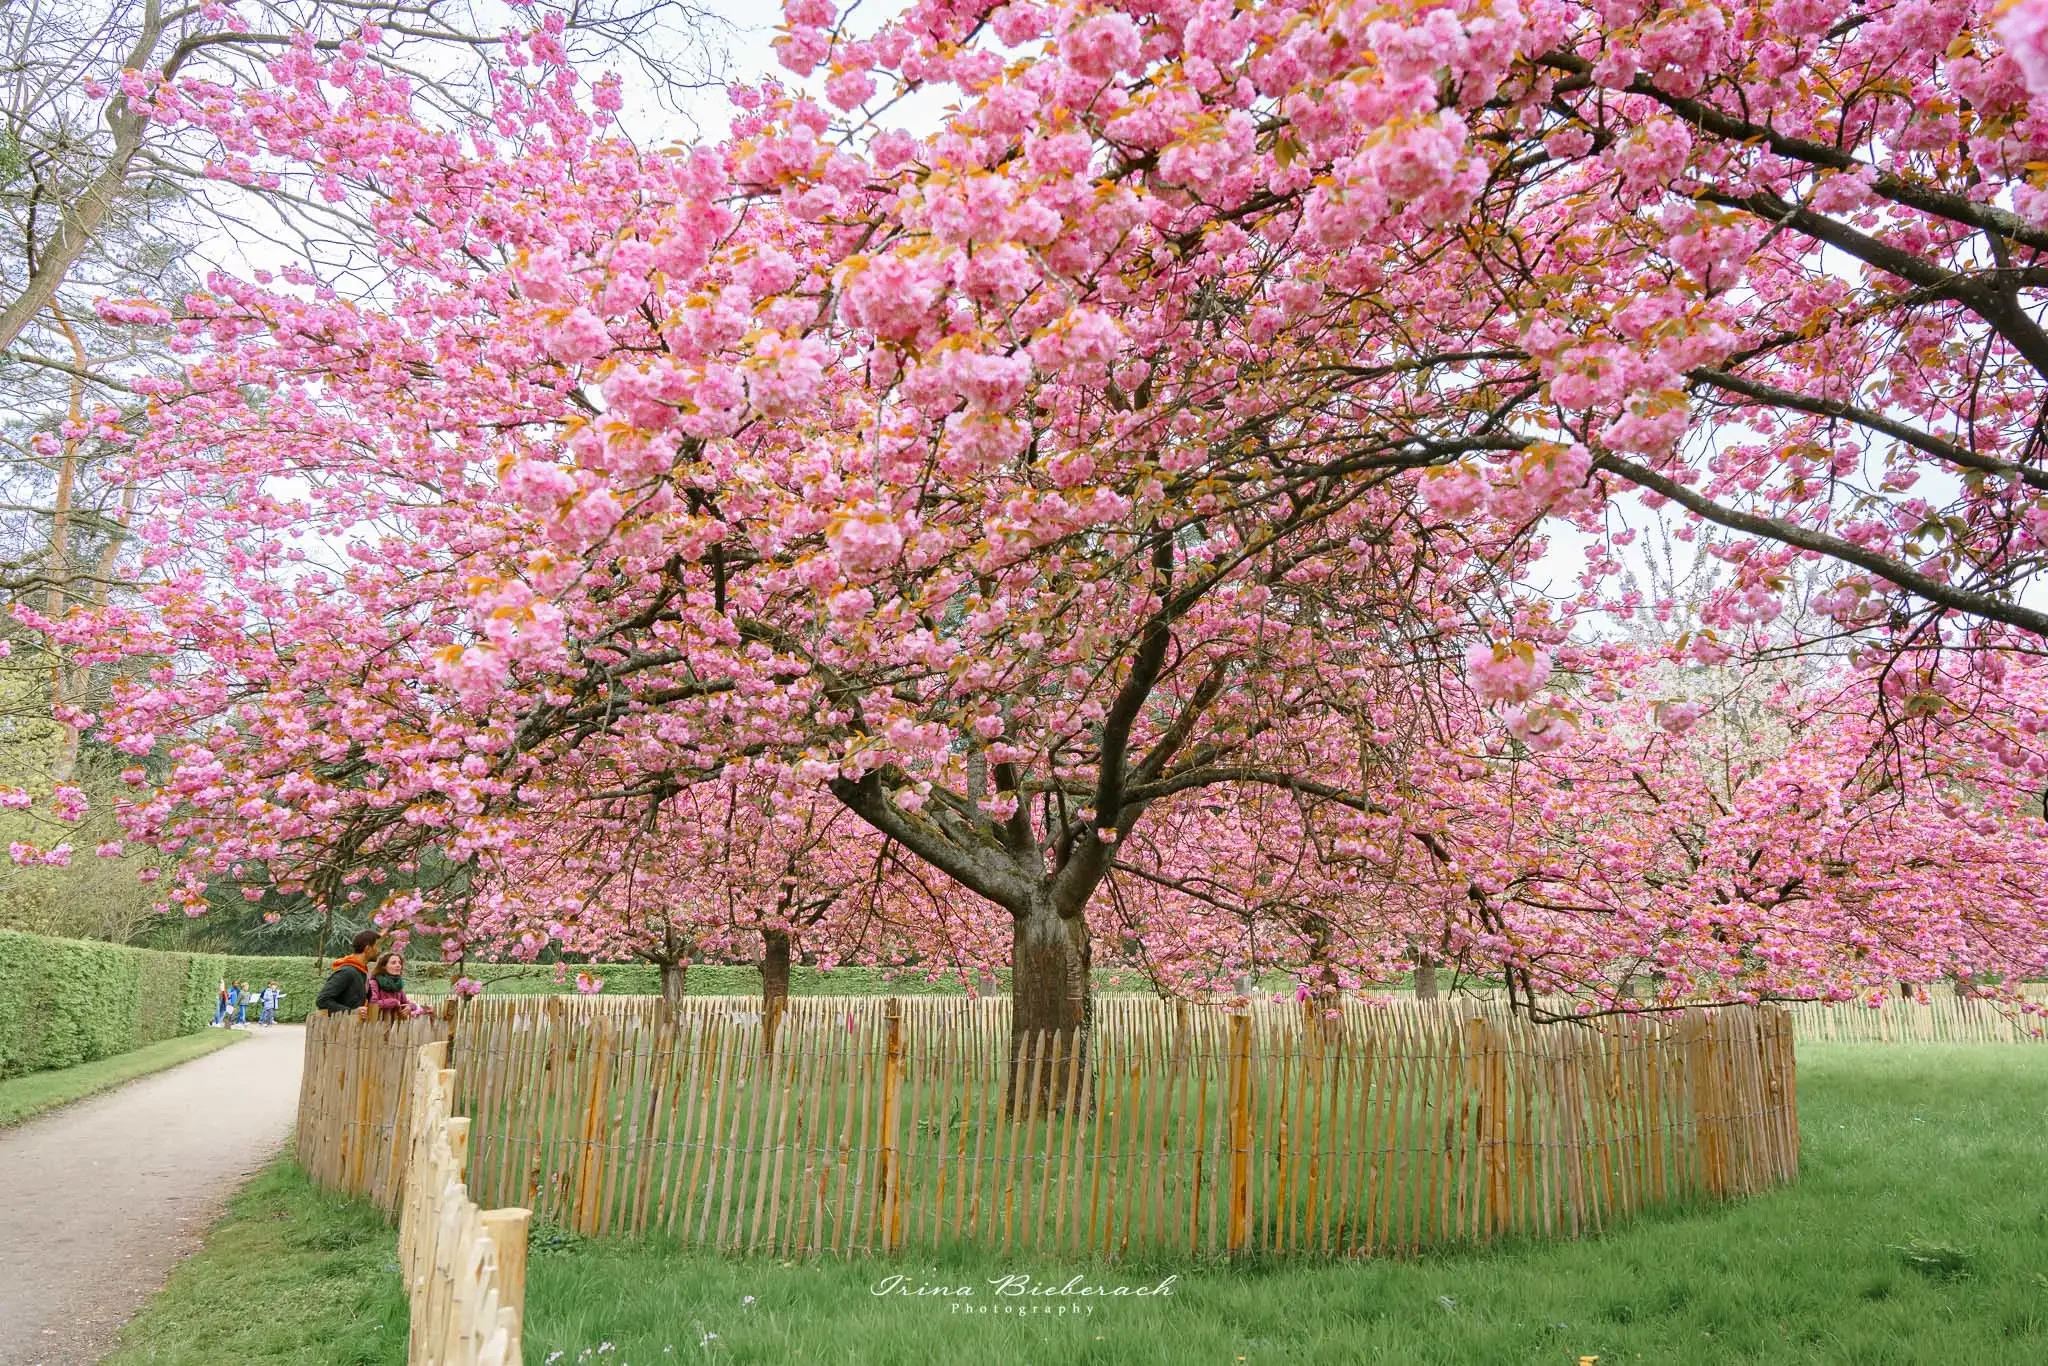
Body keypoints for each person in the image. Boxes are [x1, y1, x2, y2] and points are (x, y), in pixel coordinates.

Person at [315, 931, 380, 1014]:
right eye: (377, 946)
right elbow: (322, 1000)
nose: (379, 950)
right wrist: (351, 1012)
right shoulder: (347, 972)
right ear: (368, 949)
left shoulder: (362, 972)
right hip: (341, 1022)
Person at [366, 952, 420, 1016]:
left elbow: (405, 1003)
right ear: (384, 966)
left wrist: (410, 1006)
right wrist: (393, 1002)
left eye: (400, 963)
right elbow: (372, 1004)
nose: (398, 965)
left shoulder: (398, 985)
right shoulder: (374, 983)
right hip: (377, 1020)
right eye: (393, 963)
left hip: (394, 1021)